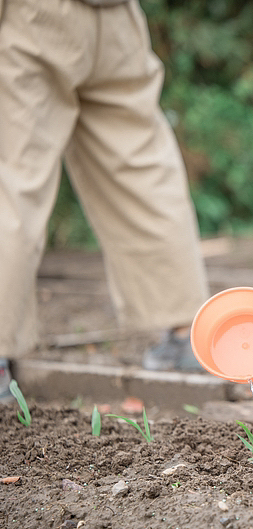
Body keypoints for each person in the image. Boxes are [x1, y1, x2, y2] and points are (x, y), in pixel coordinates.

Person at [0, 0, 209, 404]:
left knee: (14, 178)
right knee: (141, 167)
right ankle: (187, 333)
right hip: (115, 16)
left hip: (34, 16)